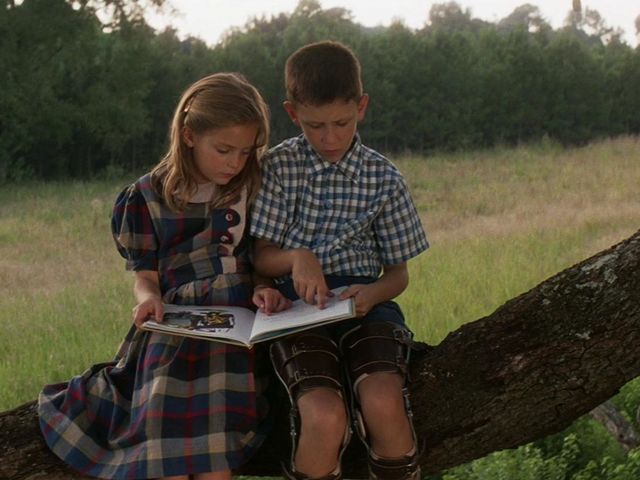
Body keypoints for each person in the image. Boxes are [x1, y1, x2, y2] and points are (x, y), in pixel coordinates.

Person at [38, 72, 290, 480]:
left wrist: (263, 289)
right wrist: (147, 300)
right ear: (189, 135)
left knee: (216, 452)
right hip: (174, 320)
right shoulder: (147, 196)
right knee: (158, 435)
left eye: (245, 152)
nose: (235, 162)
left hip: (235, 322)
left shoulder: (251, 187)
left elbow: (259, 260)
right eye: (224, 149)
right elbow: (145, 276)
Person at [250, 41, 429, 480]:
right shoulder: (277, 168)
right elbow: (261, 259)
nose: (329, 138)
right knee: (325, 416)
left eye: (341, 123)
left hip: (367, 304)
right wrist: (298, 259)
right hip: (297, 312)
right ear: (292, 114)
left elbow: (398, 275)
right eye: (314, 126)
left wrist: (370, 294)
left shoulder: (384, 179)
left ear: (362, 107)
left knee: (384, 402)